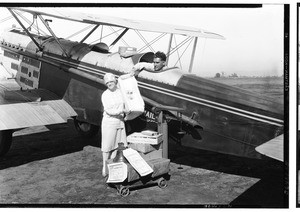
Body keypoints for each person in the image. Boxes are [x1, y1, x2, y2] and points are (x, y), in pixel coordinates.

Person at [101, 73, 129, 177]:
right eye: (107, 83)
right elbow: (109, 110)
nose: (109, 84)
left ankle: (114, 168)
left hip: (120, 122)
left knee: (118, 146)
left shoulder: (120, 92)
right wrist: (122, 110)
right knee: (107, 147)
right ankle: (105, 166)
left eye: (111, 82)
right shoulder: (105, 95)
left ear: (115, 81)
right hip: (109, 123)